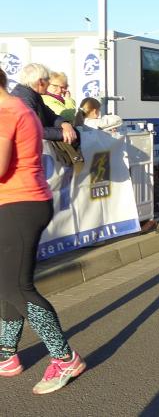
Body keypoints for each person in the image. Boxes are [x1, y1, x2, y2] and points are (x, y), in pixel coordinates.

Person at [0, 68, 87, 394]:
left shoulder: (7, 111)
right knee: (9, 284)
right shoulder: (18, 107)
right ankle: (7, 354)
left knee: (16, 286)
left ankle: (65, 358)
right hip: (22, 203)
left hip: (19, 205)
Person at [11, 63, 78, 145]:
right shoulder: (24, 98)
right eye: (48, 80)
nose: (49, 84)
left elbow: (50, 115)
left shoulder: (33, 94)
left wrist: (65, 124)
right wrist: (63, 133)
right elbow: (31, 130)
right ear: (41, 82)